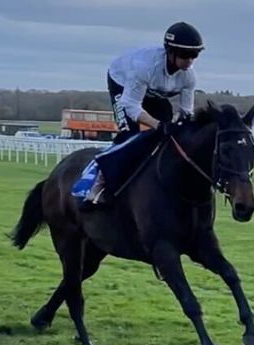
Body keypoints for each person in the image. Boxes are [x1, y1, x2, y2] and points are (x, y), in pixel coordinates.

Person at [81, 21, 204, 209]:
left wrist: (175, 125)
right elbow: (131, 106)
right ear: (170, 52)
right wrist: (157, 124)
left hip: (154, 93)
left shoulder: (189, 76)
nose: (190, 60)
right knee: (129, 136)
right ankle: (99, 185)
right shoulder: (145, 68)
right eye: (185, 55)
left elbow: (186, 111)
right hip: (123, 85)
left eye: (194, 55)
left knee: (168, 136)